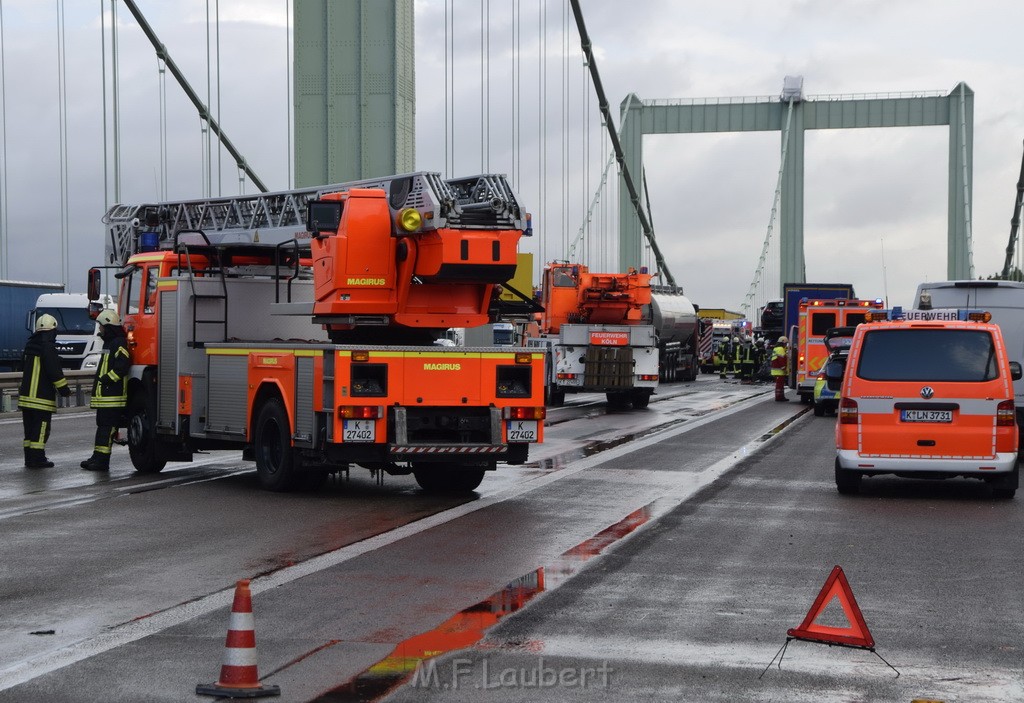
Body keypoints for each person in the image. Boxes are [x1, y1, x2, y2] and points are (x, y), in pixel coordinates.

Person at [18, 314, 72, 468]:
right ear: (52, 331)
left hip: (26, 398)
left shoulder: (30, 346)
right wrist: (64, 390)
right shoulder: (48, 347)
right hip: (41, 399)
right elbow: (54, 371)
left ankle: (29, 459)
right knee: (41, 430)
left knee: (29, 432)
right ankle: (38, 459)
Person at [81, 310, 131, 471]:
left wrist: (107, 380)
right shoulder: (109, 343)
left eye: (101, 326)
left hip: (113, 397)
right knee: (102, 427)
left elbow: (123, 365)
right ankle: (97, 457)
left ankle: (102, 462)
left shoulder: (119, 342)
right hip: (105, 397)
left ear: (108, 326)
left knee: (107, 429)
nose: (100, 329)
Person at [771, 335, 789, 401]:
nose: (786, 345)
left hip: (777, 370)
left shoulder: (776, 348)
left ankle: (781, 396)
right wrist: (784, 368)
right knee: (779, 385)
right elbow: (781, 359)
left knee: (780, 385)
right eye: (785, 343)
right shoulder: (780, 349)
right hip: (779, 371)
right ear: (783, 342)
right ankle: (779, 397)